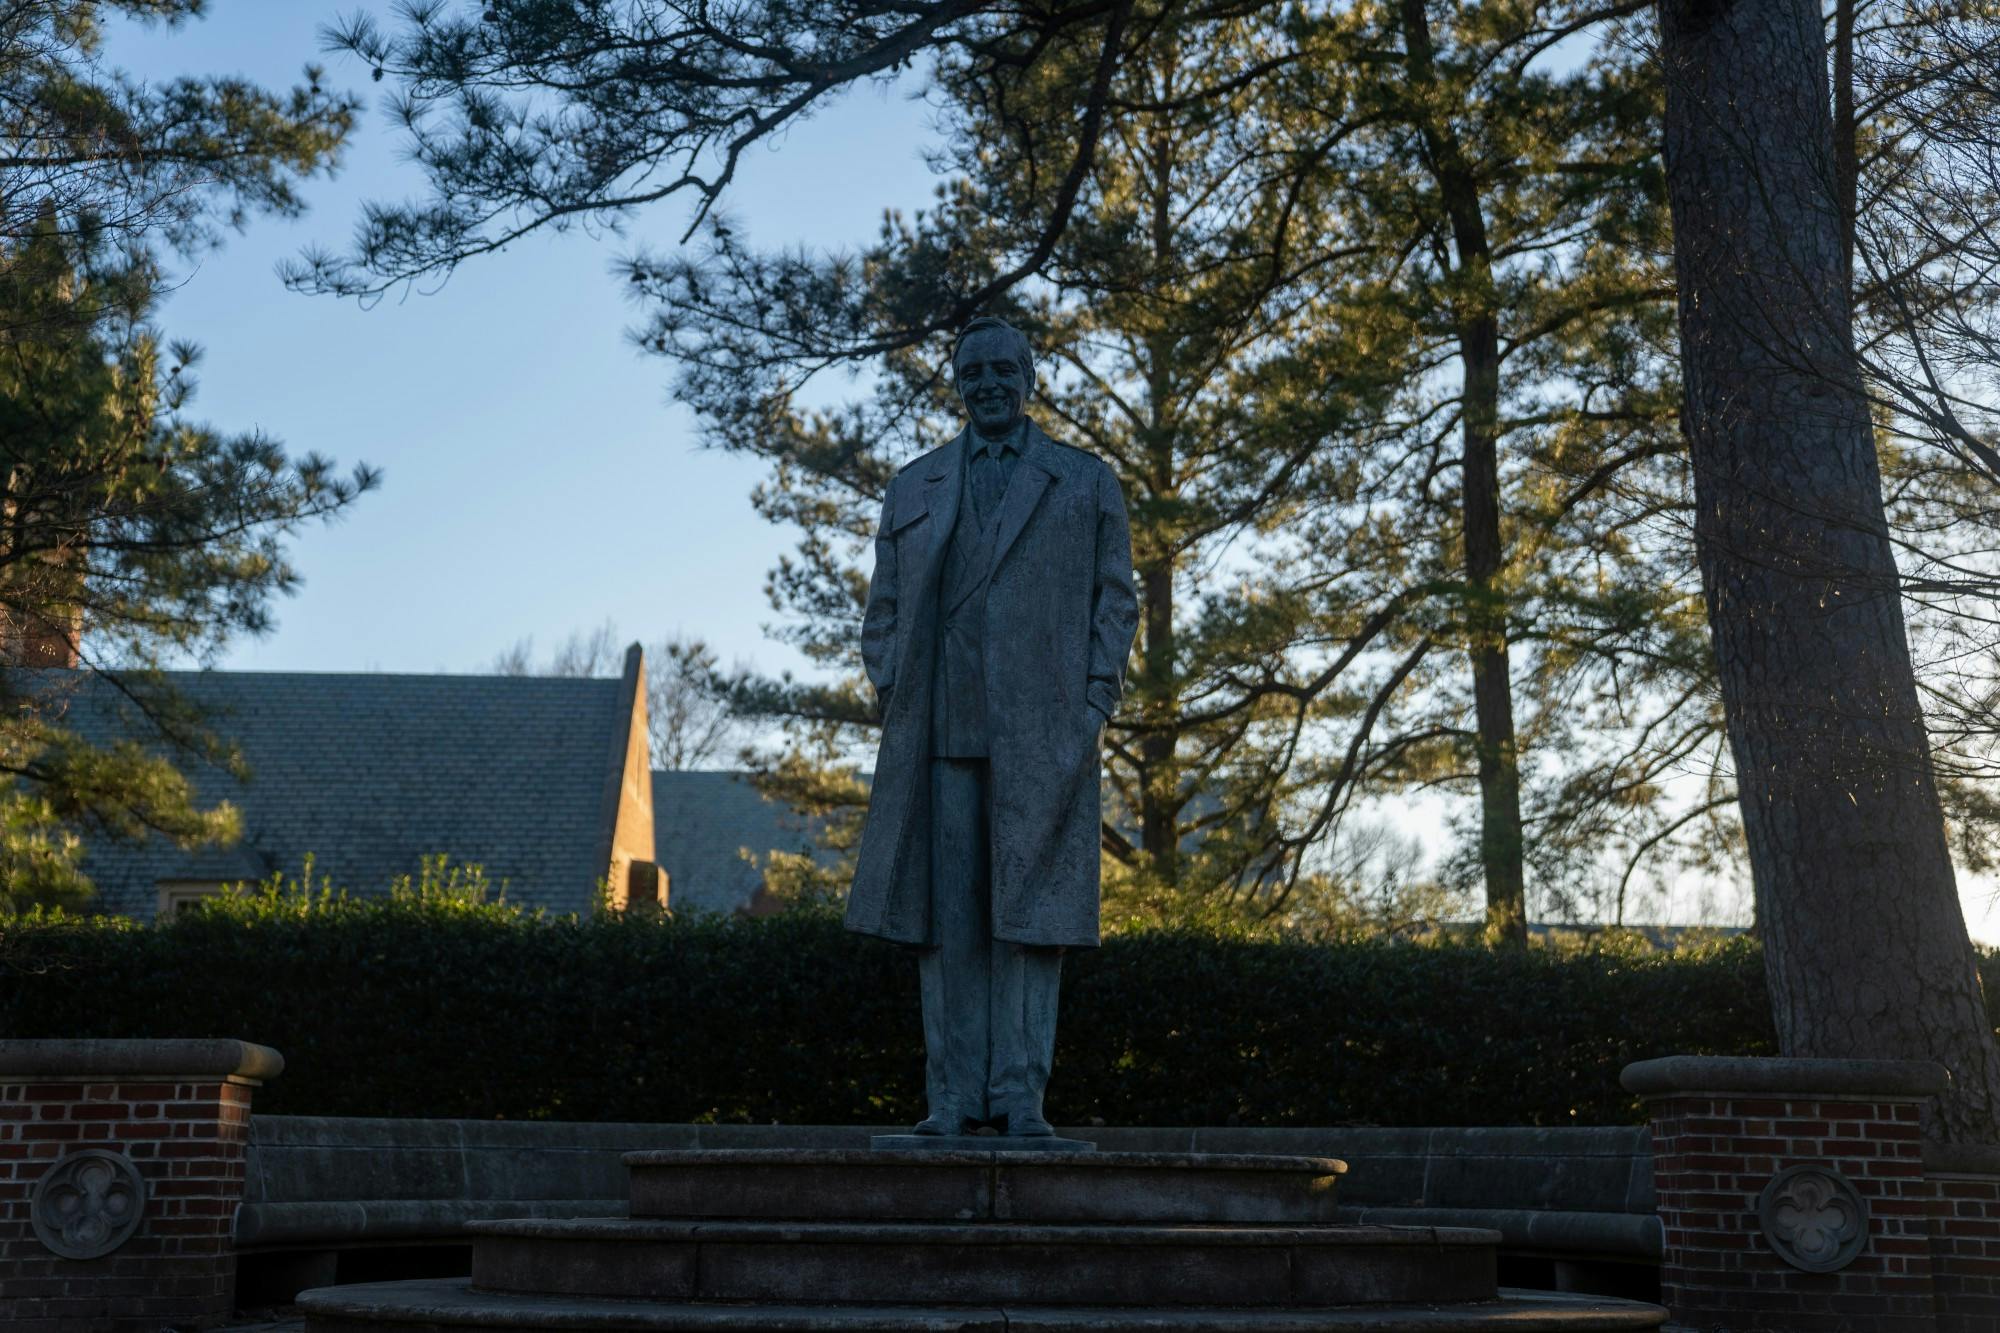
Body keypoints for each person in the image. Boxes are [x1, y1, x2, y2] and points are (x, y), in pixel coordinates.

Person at [845, 314, 1139, 1137]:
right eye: (972, 371)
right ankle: (951, 1101)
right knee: (946, 930)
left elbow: (1116, 601)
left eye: (1004, 368)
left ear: (1032, 377)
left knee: (1030, 923)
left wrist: (1091, 709)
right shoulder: (916, 485)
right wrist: (893, 691)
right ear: (957, 383)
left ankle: (1021, 1100)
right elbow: (884, 611)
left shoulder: (1084, 482)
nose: (988, 384)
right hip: (938, 737)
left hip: (1045, 737)